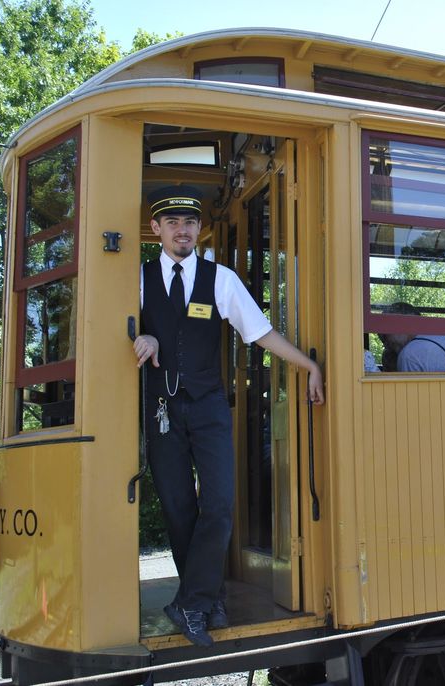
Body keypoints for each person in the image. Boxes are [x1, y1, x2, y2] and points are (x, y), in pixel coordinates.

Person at [132, 185, 324, 648]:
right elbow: (116, 330)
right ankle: (206, 597)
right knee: (180, 513)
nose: (184, 230)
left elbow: (260, 334)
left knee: (219, 506)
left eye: (191, 223)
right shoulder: (134, 279)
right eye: (173, 222)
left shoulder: (220, 279)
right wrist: (143, 338)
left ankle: (191, 604)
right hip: (161, 412)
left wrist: (308, 365)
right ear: (156, 228)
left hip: (209, 408)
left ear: (200, 229)